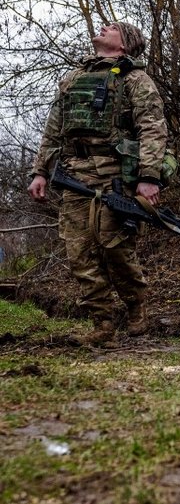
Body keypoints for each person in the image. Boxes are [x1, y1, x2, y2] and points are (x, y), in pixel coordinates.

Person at [27, 22, 167, 346]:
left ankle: (136, 305)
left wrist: (148, 178)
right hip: (74, 176)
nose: (104, 27)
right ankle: (103, 324)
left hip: (114, 176)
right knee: (80, 253)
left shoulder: (136, 80)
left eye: (113, 28)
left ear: (125, 45)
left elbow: (153, 130)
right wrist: (40, 172)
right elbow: (53, 130)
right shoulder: (72, 79)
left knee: (116, 249)